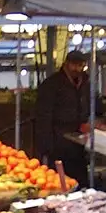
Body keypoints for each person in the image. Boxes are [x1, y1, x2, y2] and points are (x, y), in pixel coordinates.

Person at [34, 50, 92, 189]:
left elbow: (92, 104)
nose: (77, 69)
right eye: (74, 65)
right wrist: (46, 146)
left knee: (80, 178)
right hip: (58, 141)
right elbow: (43, 115)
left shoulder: (85, 83)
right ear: (66, 64)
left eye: (81, 65)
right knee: (59, 181)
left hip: (78, 140)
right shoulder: (52, 84)